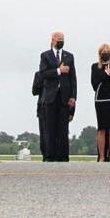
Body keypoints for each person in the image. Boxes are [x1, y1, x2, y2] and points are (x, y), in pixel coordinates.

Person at [33, 31, 76, 162]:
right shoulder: (45, 55)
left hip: (64, 96)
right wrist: (58, 71)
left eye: (62, 39)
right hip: (50, 96)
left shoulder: (69, 56)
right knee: (50, 127)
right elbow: (43, 73)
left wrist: (73, 96)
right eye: (59, 39)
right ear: (52, 40)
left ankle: (63, 156)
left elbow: (73, 78)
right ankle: (49, 156)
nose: (61, 41)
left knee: (63, 128)